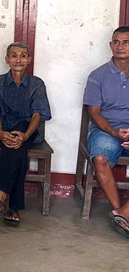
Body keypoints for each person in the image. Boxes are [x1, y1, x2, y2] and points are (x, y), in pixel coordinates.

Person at [0, 42, 52, 225]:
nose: (18, 59)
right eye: (13, 55)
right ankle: (14, 206)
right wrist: (0, 132)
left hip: (28, 133)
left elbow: (38, 114)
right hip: (3, 132)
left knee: (19, 136)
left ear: (28, 60)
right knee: (17, 150)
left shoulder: (37, 84)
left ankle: (1, 194)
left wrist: (25, 136)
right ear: (7, 59)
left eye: (23, 56)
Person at [84, 26, 129, 238]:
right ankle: (120, 210)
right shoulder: (97, 75)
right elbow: (94, 113)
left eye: (126, 42)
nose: (120, 46)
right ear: (110, 45)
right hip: (106, 131)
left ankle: (124, 214)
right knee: (100, 158)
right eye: (116, 42)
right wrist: (114, 132)